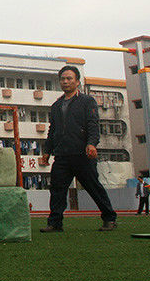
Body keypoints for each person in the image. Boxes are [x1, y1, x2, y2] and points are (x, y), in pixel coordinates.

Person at [38, 66, 118, 232]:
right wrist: (47, 151)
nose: (66, 82)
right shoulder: (56, 105)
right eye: (63, 79)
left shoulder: (87, 101)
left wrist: (91, 143)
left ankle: (109, 218)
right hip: (62, 155)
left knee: (94, 188)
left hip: (83, 154)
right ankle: (55, 223)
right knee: (57, 190)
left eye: (69, 79)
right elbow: (53, 130)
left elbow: (92, 124)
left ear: (77, 81)